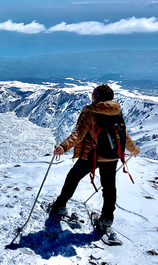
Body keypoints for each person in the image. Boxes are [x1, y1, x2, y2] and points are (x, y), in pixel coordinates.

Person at [50, 84, 140, 232]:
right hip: (112, 157)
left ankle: (59, 205)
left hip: (92, 155)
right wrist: (134, 149)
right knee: (109, 188)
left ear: (97, 97)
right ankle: (106, 219)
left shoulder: (90, 112)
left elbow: (78, 134)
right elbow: (123, 135)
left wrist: (63, 147)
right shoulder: (117, 111)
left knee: (73, 177)